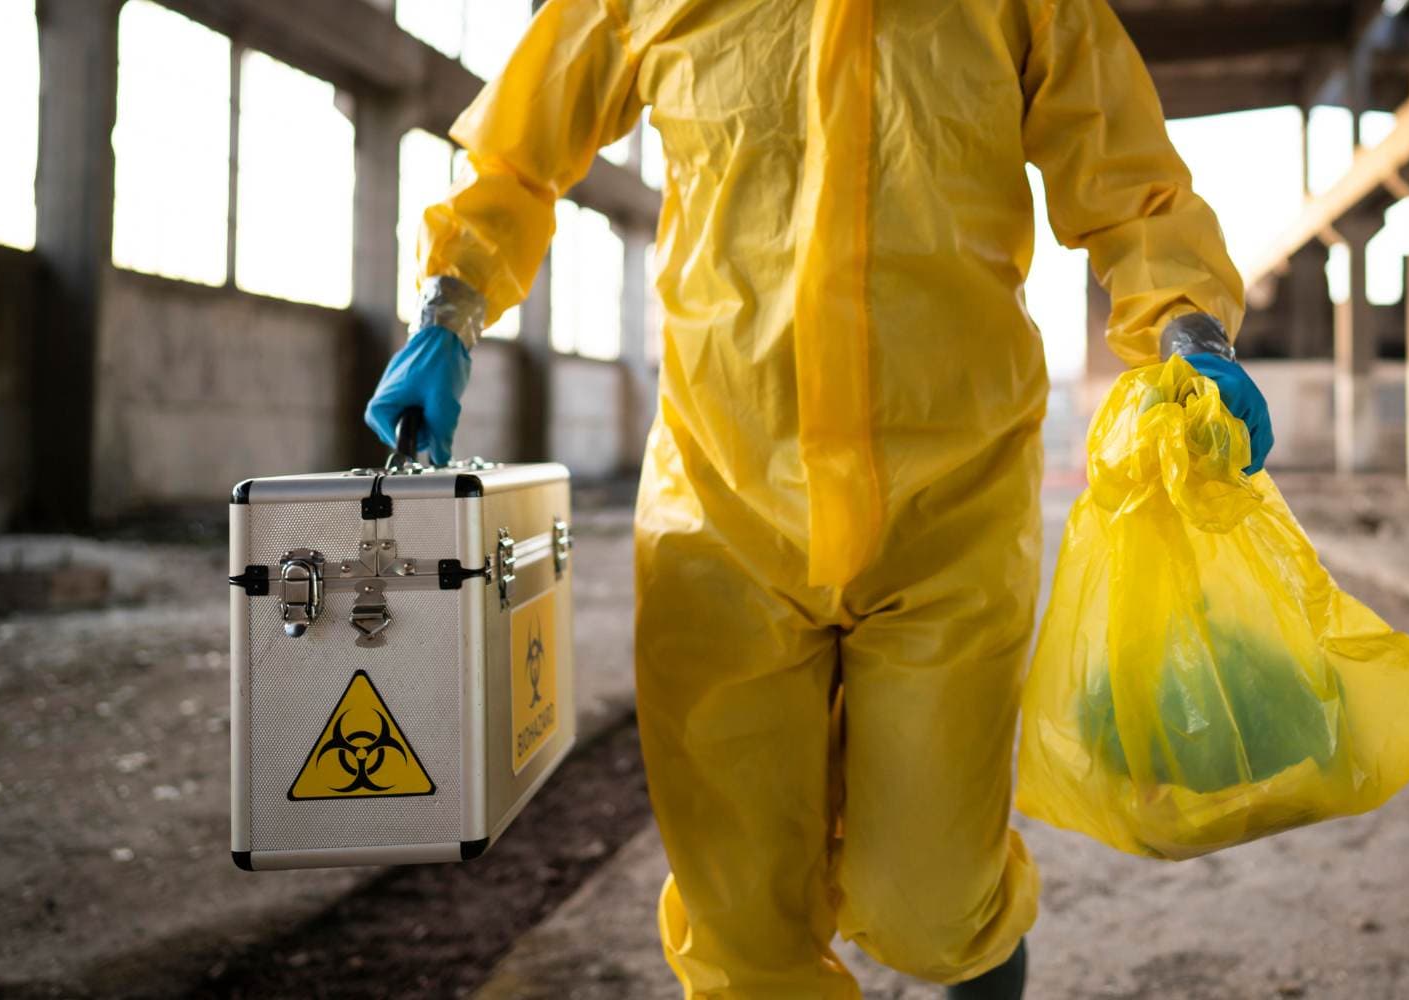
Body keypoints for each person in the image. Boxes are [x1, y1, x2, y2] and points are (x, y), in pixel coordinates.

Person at [364, 0, 1271, 996]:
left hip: (949, 510)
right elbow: (518, 155)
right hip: (724, 512)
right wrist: (449, 305)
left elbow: (1129, 186)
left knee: (933, 906)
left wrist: (1189, 328)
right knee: (742, 926)